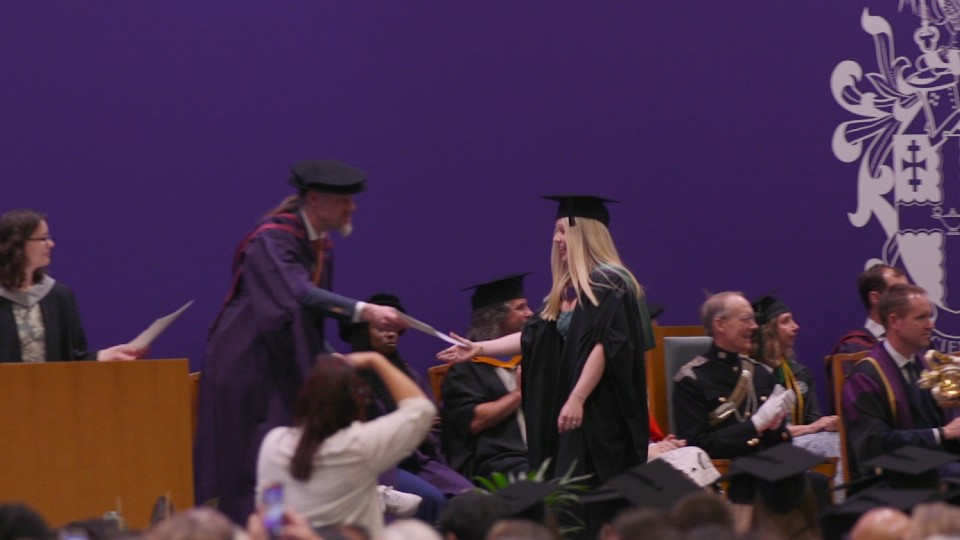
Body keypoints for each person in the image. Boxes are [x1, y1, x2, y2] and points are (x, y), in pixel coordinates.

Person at [195, 160, 407, 523]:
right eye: (344, 199)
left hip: (284, 358)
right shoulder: (272, 238)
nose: (351, 207)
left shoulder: (319, 244)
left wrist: (332, 357)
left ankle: (318, 516)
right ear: (314, 198)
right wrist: (364, 311)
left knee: (294, 447)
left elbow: (309, 312)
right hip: (249, 366)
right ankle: (258, 527)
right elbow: (297, 295)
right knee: (256, 457)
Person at [438, 195, 653, 536]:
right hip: (569, 416)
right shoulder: (565, 291)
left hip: (599, 416)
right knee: (569, 501)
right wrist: (477, 348)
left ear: (584, 234)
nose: (556, 239)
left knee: (595, 501)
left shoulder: (611, 282)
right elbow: (532, 337)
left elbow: (603, 344)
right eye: (554, 231)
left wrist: (578, 397)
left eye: (562, 231)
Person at [256, 351, 435, 539]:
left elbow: (271, 515)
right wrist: (376, 359)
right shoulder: (360, 446)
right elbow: (421, 409)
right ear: (357, 402)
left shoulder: (274, 442)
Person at [340, 293, 473, 524]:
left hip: (418, 459)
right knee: (431, 500)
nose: (391, 334)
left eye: (395, 329)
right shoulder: (347, 377)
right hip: (377, 466)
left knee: (471, 498)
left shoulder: (409, 376)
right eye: (382, 329)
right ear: (362, 331)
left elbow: (431, 430)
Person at [841, 283, 960, 479]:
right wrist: (942, 433)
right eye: (921, 317)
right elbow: (873, 445)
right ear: (894, 321)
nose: (931, 325)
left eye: (929, 316)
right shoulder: (865, 378)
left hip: (937, 464)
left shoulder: (926, 366)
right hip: (895, 477)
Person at [0, 209, 141, 363]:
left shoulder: (59, 296)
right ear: (18, 244)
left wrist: (101, 356)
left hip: (51, 386)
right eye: (43, 238)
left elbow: (72, 357)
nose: (51, 244)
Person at [672, 292, 792, 460]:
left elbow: (781, 446)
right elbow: (695, 447)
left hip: (766, 470)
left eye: (753, 319)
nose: (754, 326)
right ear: (720, 325)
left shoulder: (761, 373)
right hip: (725, 477)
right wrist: (755, 425)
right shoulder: (692, 379)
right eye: (746, 319)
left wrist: (775, 428)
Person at [441, 273, 533, 479]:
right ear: (495, 317)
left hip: (537, 454)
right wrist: (518, 395)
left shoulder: (531, 358)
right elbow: (474, 421)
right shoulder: (465, 370)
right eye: (520, 308)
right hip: (495, 463)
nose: (530, 313)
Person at [751, 295, 843, 491]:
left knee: (836, 438)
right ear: (768, 330)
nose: (796, 326)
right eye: (786, 321)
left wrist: (826, 425)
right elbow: (760, 429)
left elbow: (813, 419)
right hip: (765, 449)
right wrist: (811, 428)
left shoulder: (798, 372)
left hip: (799, 444)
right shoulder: (751, 374)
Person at [826, 264, 909, 413]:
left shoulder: (915, 343)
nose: (908, 299)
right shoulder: (852, 348)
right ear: (875, 298)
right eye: (898, 292)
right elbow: (852, 410)